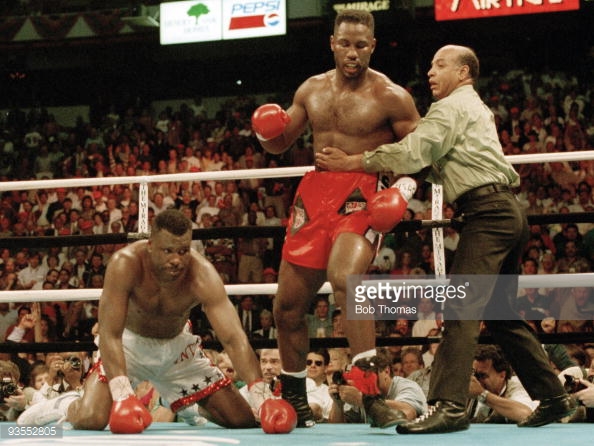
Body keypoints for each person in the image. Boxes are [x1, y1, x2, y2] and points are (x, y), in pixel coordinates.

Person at [315, 44, 576, 433]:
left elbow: (415, 152)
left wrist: (355, 161)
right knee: (500, 315)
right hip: (505, 212)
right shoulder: (473, 107)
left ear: (464, 72)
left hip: (489, 215)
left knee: (460, 308)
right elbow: (437, 163)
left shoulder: (450, 107)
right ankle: (553, 397)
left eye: (440, 65)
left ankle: (449, 406)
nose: (431, 72)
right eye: (431, 66)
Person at [251, 9, 420, 427]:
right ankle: (296, 399)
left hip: (362, 196)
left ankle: (370, 396)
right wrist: (264, 131)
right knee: (286, 306)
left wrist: (402, 190)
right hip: (314, 197)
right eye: (345, 44)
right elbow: (280, 143)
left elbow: (421, 154)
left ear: (372, 46)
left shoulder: (391, 96)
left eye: (361, 45)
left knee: (345, 277)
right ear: (332, 43)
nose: (352, 53)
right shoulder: (311, 89)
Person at [18, 209, 286, 433]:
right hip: (128, 347)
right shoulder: (125, 264)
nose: (176, 260)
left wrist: (263, 396)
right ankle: (63, 404)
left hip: (178, 351)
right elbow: (109, 333)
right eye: (168, 250)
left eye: (183, 251)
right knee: (93, 419)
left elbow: (233, 337)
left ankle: (186, 404)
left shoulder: (201, 274)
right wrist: (123, 395)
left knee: (241, 420)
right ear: (150, 245)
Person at [468, 345, 538, 423]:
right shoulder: (474, 385)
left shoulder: (519, 387)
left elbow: (527, 414)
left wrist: (482, 394)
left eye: (482, 375)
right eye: (474, 374)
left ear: (502, 375)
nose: (476, 380)